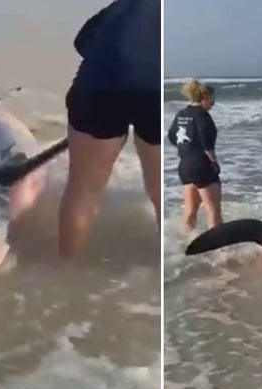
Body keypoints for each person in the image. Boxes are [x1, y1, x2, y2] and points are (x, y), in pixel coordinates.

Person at [57, 0, 161, 259]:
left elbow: (82, 42)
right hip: (154, 93)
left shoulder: (121, 7)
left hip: (99, 86)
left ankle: (64, 273)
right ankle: (168, 272)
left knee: (83, 191)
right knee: (160, 192)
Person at [167, 79, 222, 231]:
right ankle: (217, 249)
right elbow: (206, 141)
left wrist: (185, 149)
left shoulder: (182, 114)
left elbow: (171, 135)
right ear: (204, 97)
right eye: (212, 99)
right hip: (201, 164)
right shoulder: (202, 116)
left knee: (190, 212)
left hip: (184, 165)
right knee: (213, 212)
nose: (213, 103)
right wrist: (214, 162)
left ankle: (183, 245)